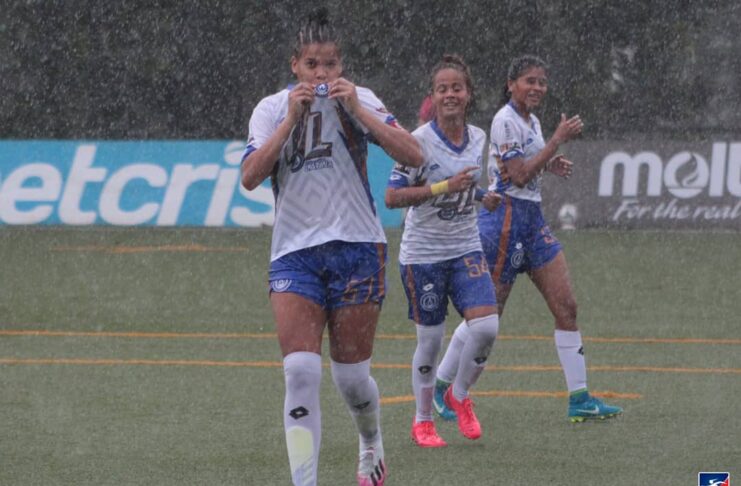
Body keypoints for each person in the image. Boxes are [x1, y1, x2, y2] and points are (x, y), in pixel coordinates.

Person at [240, 9, 422, 486]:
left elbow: (414, 154)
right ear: (294, 65)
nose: (321, 75)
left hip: (357, 248)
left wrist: (359, 111)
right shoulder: (271, 108)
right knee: (300, 373)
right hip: (295, 254)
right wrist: (290, 121)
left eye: (330, 64)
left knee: (351, 379)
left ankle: (370, 440)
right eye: (312, 65)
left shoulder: (360, 98)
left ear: (342, 66)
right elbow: (250, 177)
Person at [432, 54, 623, 423]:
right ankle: (442, 387)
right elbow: (518, 176)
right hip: (504, 221)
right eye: (529, 81)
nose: (537, 87)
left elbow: (526, 165)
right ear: (511, 85)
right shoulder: (504, 120)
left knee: (566, 306)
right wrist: (557, 141)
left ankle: (579, 398)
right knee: (486, 317)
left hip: (531, 221)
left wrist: (549, 162)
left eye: (541, 82)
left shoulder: (530, 121)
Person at [385, 55, 502, 448]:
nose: (450, 94)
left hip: (465, 246)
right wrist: (443, 188)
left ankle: (459, 395)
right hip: (423, 255)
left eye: (457, 88)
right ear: (432, 97)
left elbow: (462, 182)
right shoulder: (417, 142)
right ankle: (422, 421)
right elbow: (392, 196)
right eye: (442, 89)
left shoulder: (479, 137)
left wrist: (481, 196)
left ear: (468, 94)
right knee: (431, 342)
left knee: (486, 327)